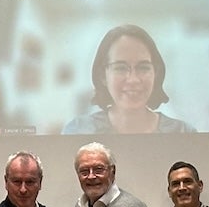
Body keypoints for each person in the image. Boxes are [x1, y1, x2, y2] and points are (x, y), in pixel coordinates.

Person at [62, 25, 197, 135]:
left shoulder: (184, 132)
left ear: (156, 73)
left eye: (143, 68)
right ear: (103, 76)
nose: (133, 79)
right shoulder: (76, 131)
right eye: (120, 68)